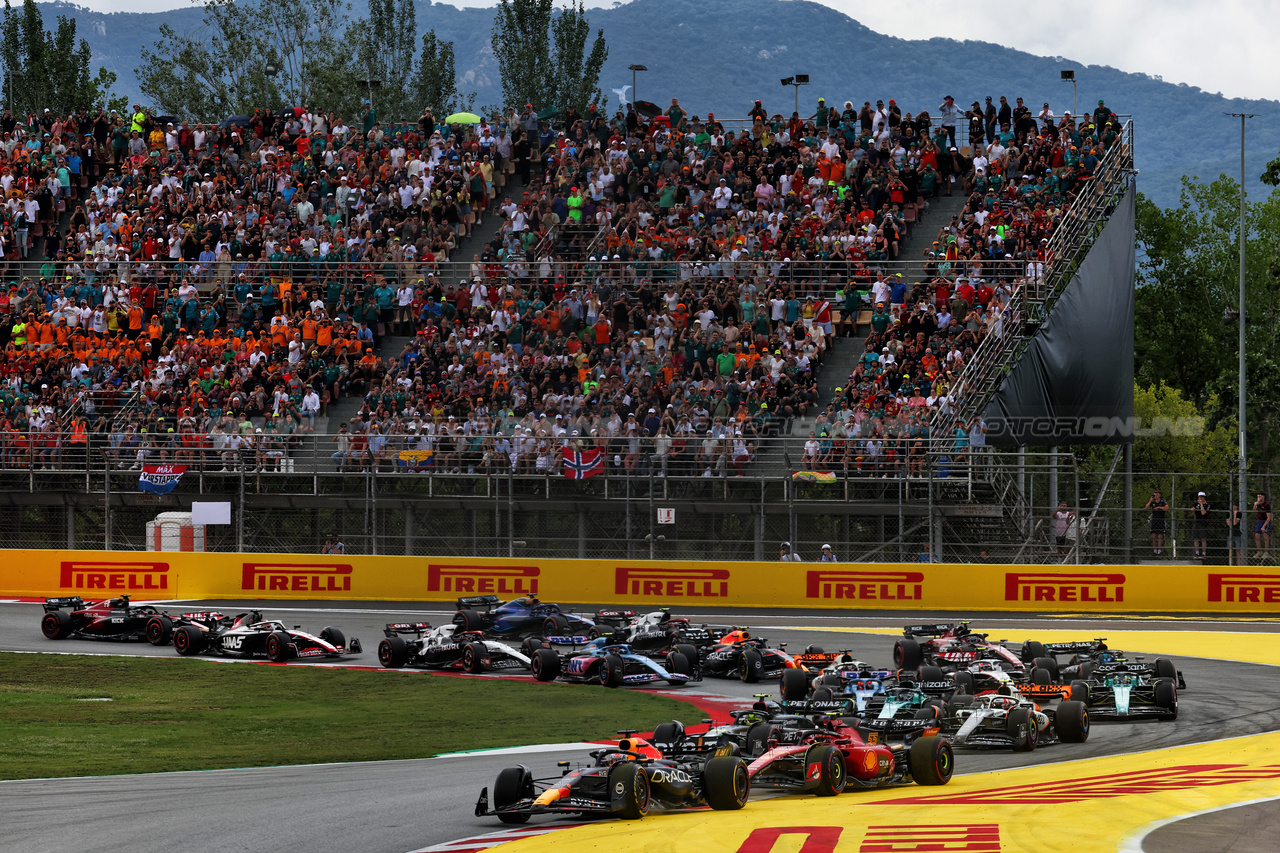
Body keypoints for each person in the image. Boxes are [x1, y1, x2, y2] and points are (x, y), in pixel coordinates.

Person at [1145, 491, 1169, 556]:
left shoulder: (1163, 502)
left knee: (1160, 536)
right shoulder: (1153, 502)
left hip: (1161, 520)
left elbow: (1167, 508)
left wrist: (1159, 508)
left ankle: (1159, 551)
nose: (1156, 496)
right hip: (1154, 520)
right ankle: (1155, 551)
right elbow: (1146, 507)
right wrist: (1150, 501)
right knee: (1154, 536)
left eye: (1157, 494)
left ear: (1160, 495)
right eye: (1155, 495)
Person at [1191, 491, 1211, 558]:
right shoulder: (1196, 503)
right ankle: (1196, 552)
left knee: (1203, 538)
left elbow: (1203, 513)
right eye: (1199, 497)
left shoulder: (1207, 505)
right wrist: (1193, 509)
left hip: (1203, 522)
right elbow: (1193, 510)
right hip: (1197, 522)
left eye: (1202, 497)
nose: (1200, 498)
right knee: (1195, 538)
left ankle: (1203, 553)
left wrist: (1201, 504)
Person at [1254, 492, 1271, 558]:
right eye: (1258, 496)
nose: (1259, 498)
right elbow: (1254, 509)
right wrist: (1255, 504)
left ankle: (1266, 552)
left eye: (1260, 496)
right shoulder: (1258, 504)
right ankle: (1259, 551)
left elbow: (1269, 517)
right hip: (1259, 521)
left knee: (1265, 534)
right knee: (1257, 535)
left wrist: (1264, 526)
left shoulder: (1266, 505)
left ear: (1263, 497)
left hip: (1266, 521)